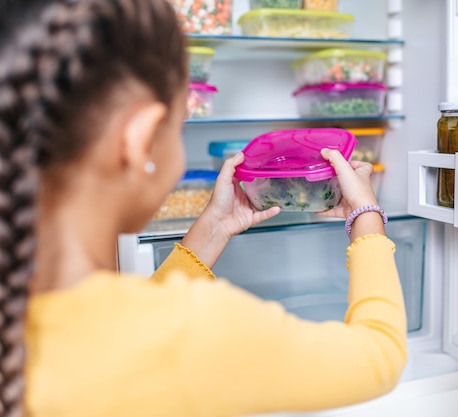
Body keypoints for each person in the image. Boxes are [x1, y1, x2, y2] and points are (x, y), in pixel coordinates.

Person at [0, 0, 407, 415]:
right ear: (141, 141)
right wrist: (365, 217)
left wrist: (214, 227)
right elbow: (379, 356)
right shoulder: (192, 331)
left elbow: (135, 324)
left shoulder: (22, 312)